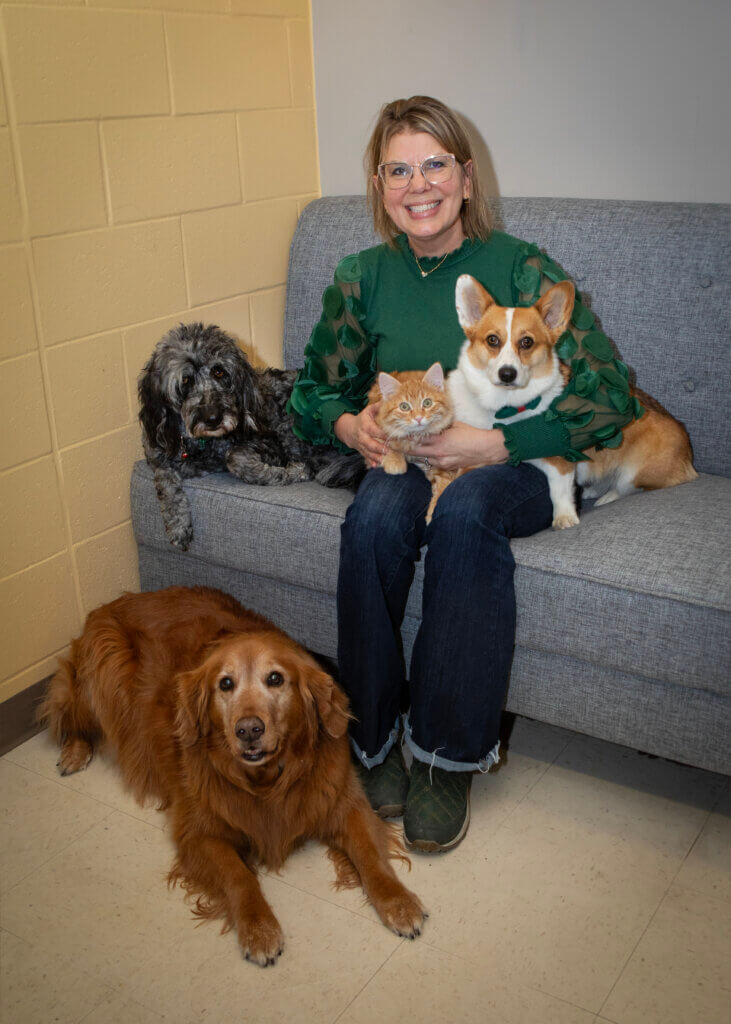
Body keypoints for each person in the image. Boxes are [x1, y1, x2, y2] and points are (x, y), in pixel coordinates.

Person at [287, 96, 640, 852]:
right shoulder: (360, 277)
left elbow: (606, 397)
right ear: (380, 187)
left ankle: (446, 755)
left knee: (464, 511)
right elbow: (314, 389)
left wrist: (496, 447)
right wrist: (350, 423)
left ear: (467, 176)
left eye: (434, 165)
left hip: (510, 464)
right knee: (376, 518)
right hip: (407, 451)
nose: (418, 185)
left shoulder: (518, 265)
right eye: (397, 170)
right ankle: (372, 739)